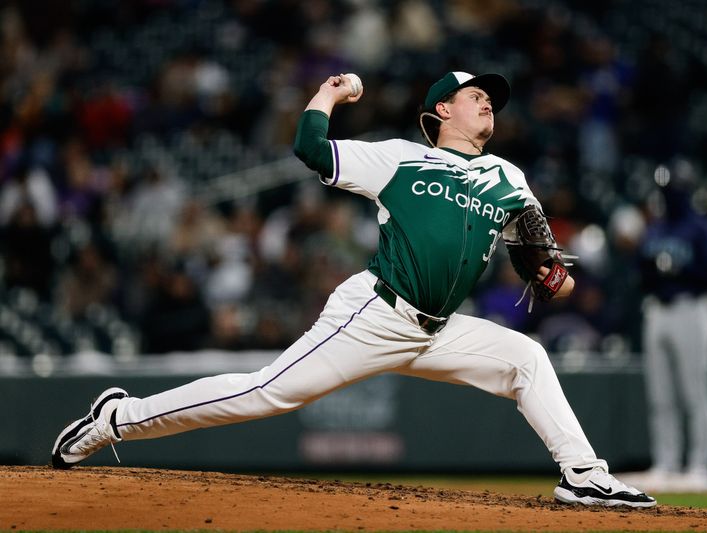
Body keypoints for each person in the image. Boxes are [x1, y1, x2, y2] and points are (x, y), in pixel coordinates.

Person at [52, 71, 656, 508]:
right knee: (266, 392)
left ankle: (582, 474)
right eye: (476, 97)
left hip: (438, 329)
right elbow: (310, 149)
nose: (488, 106)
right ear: (442, 111)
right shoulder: (400, 160)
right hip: (375, 313)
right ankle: (117, 419)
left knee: (526, 357)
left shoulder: (506, 175)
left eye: (492, 101)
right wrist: (328, 94)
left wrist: (549, 270)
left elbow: (535, 252)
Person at [622, 161, 707, 494]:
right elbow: (638, 271)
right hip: (658, 310)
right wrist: (658, 273)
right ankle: (665, 464)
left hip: (690, 308)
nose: (670, 194)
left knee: (695, 391)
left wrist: (678, 272)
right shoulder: (655, 228)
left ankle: (700, 467)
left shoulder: (700, 227)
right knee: (661, 395)